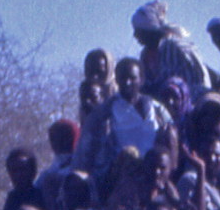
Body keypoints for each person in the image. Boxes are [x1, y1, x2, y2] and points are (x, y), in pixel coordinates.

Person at [74, 58, 174, 200]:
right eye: (123, 78)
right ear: (117, 80)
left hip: (154, 169)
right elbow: (87, 146)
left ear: (142, 79)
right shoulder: (107, 111)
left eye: (132, 78)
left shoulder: (155, 108)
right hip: (123, 172)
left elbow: (172, 132)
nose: (127, 83)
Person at [131, 0, 216, 100]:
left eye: (140, 31)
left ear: (151, 30)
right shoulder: (145, 56)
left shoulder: (179, 48)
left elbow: (200, 82)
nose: (135, 36)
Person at [35, 120, 80, 210]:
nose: (59, 142)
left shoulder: (82, 164)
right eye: (54, 138)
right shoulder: (49, 171)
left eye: (65, 137)